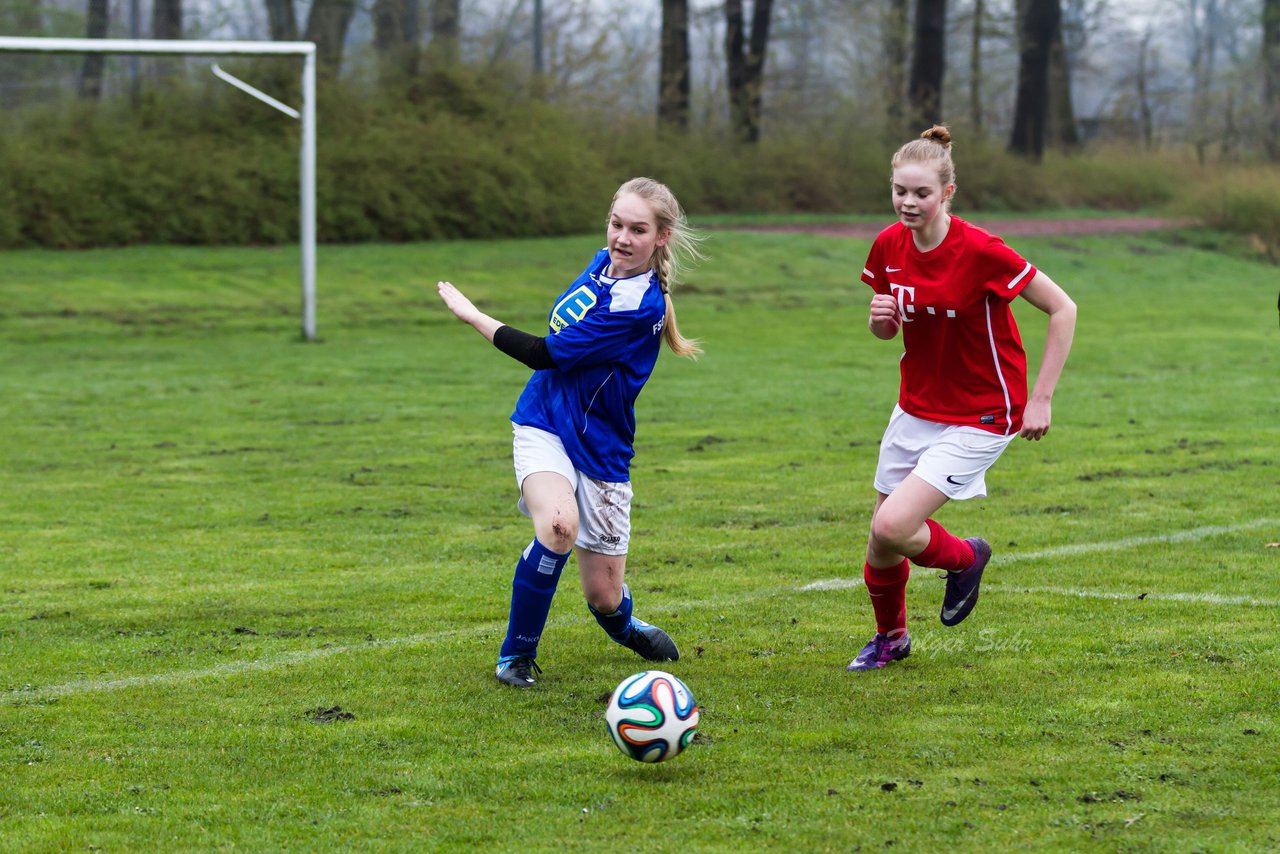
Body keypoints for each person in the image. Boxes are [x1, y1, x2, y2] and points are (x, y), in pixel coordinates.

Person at [436, 177, 703, 688]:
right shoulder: (602, 264)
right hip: (544, 421)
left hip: (601, 449)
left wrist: (472, 315)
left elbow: (545, 352)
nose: (622, 238)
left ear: (661, 237)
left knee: (603, 597)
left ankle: (625, 625)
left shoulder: (637, 306)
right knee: (558, 525)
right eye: (616, 224)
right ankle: (515, 658)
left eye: (637, 230)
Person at [848, 126, 1077, 671]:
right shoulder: (887, 245)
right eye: (900, 191)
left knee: (893, 527)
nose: (908, 202)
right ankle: (892, 639)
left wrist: (1040, 399)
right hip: (916, 406)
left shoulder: (980, 250)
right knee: (882, 544)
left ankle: (967, 556)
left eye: (921, 193)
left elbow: (1064, 308)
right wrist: (879, 321)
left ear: (947, 192)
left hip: (982, 413)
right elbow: (889, 330)